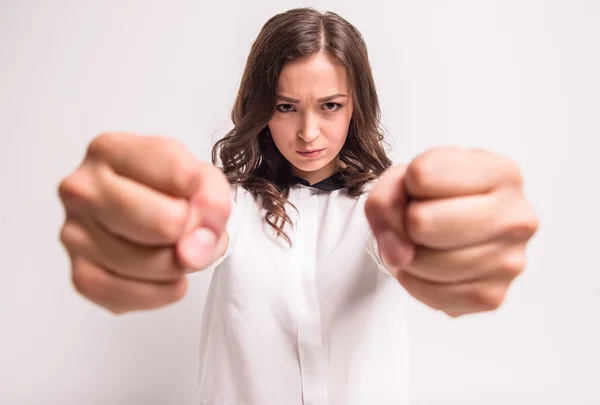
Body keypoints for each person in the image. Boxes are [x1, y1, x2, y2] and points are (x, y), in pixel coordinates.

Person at [57, 7, 538, 405]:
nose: (309, 133)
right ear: (262, 108)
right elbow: (208, 232)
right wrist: (159, 227)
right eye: (286, 106)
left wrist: (445, 236)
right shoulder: (235, 203)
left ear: (356, 107)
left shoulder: (379, 206)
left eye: (330, 106)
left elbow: (396, 241)